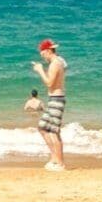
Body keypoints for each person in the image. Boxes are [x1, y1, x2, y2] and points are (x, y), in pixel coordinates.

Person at [31, 38, 69, 172]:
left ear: (47, 51)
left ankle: (60, 163)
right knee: (42, 127)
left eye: (42, 54)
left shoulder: (55, 64)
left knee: (54, 131)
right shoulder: (59, 60)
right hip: (54, 99)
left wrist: (40, 70)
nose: (43, 57)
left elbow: (49, 83)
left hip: (57, 99)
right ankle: (54, 158)